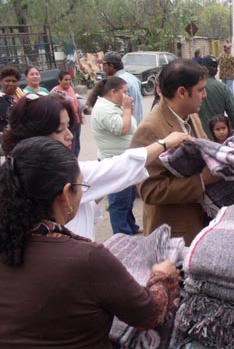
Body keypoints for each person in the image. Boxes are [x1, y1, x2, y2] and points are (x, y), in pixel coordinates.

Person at [0, 136, 180, 349]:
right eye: (80, 186)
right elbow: (149, 314)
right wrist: (162, 277)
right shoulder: (86, 259)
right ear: (65, 195)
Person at [2, 95, 189, 241]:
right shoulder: (62, 172)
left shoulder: (16, 169)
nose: (69, 136)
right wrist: (164, 143)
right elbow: (120, 167)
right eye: (60, 129)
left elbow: (102, 184)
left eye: (69, 127)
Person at [130, 58, 219, 242]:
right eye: (200, 90)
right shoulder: (150, 129)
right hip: (173, 233)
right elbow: (148, 190)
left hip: (200, 224)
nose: (205, 96)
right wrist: (200, 182)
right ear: (182, 92)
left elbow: (203, 151)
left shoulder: (191, 115)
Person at [88, 77, 140, 235]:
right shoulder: (104, 108)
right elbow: (122, 129)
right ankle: (122, 235)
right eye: (124, 92)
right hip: (115, 161)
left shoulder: (113, 106)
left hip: (125, 159)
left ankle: (130, 226)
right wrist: (127, 109)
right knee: (119, 201)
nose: (127, 95)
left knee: (128, 198)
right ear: (113, 92)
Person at [197, 55, 234, 141]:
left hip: (199, 138)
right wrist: (231, 128)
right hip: (218, 140)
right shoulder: (222, 87)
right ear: (216, 71)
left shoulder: (193, 87)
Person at [101, 51, 143, 123]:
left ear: (111, 66)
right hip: (136, 122)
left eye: (104, 65)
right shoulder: (132, 78)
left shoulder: (118, 82)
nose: (103, 68)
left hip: (127, 123)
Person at [51, 71, 83, 157]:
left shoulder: (71, 89)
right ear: (59, 80)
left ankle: (75, 162)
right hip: (67, 124)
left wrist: (81, 115)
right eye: (65, 80)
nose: (68, 82)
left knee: (77, 145)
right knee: (69, 146)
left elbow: (76, 103)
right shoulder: (55, 92)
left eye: (69, 80)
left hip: (76, 121)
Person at [0, 67, 24, 151]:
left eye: (14, 81)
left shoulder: (22, 96)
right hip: (9, 141)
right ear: (1, 81)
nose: (11, 83)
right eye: (7, 81)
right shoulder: (1, 99)